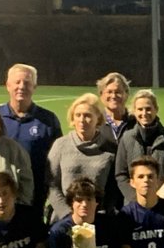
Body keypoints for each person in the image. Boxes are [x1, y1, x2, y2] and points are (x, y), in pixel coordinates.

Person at [0, 63, 62, 214]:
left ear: (34, 87)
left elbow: (58, 159)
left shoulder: (48, 119)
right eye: (17, 82)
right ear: (7, 85)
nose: (21, 86)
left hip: (34, 196)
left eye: (27, 83)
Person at [46, 93, 118, 221]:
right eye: (78, 115)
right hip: (64, 218)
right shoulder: (60, 145)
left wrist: (98, 216)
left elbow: (113, 188)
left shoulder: (110, 148)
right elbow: (51, 184)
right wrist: (68, 215)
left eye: (87, 115)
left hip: (99, 218)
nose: (82, 120)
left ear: (98, 118)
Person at [114, 89, 164, 205]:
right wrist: (135, 198)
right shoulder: (127, 138)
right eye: (140, 109)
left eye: (148, 109)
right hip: (134, 205)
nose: (144, 113)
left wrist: (162, 196)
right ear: (134, 111)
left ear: (156, 109)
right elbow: (121, 174)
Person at [95, 71, 135, 149]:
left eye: (118, 92)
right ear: (101, 95)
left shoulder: (136, 121)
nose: (113, 96)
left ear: (126, 94)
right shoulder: (95, 122)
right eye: (109, 92)